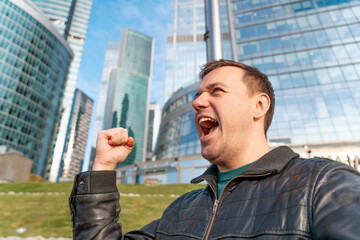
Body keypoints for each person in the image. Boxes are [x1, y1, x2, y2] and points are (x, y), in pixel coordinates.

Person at [69, 59, 360, 239]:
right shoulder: (180, 210)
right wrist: (104, 168)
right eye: (197, 96)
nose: (196, 103)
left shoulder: (323, 184)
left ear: (259, 105)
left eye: (216, 91)